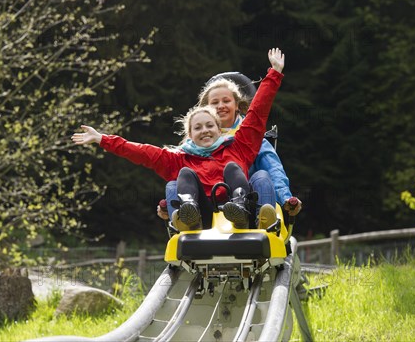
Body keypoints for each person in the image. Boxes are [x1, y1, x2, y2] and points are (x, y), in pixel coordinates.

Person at [72, 48, 285, 230]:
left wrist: (274, 74)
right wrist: (102, 139)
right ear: (190, 135)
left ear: (219, 130)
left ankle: (241, 208)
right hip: (205, 212)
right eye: (198, 128)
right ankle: (186, 215)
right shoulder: (180, 158)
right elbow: (140, 151)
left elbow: (257, 112)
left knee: (233, 168)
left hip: (236, 205)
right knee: (181, 176)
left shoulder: (238, 146)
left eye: (210, 126)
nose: (205, 131)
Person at [159, 74, 303, 229]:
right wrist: (169, 203)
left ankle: (263, 223)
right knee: (173, 184)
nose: (221, 106)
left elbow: (273, 170)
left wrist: (286, 198)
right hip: (205, 206)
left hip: (247, 199)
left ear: (237, 105)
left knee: (262, 176)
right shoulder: (192, 146)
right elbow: (182, 177)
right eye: (215, 102)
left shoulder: (250, 139)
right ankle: (183, 223)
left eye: (226, 101)